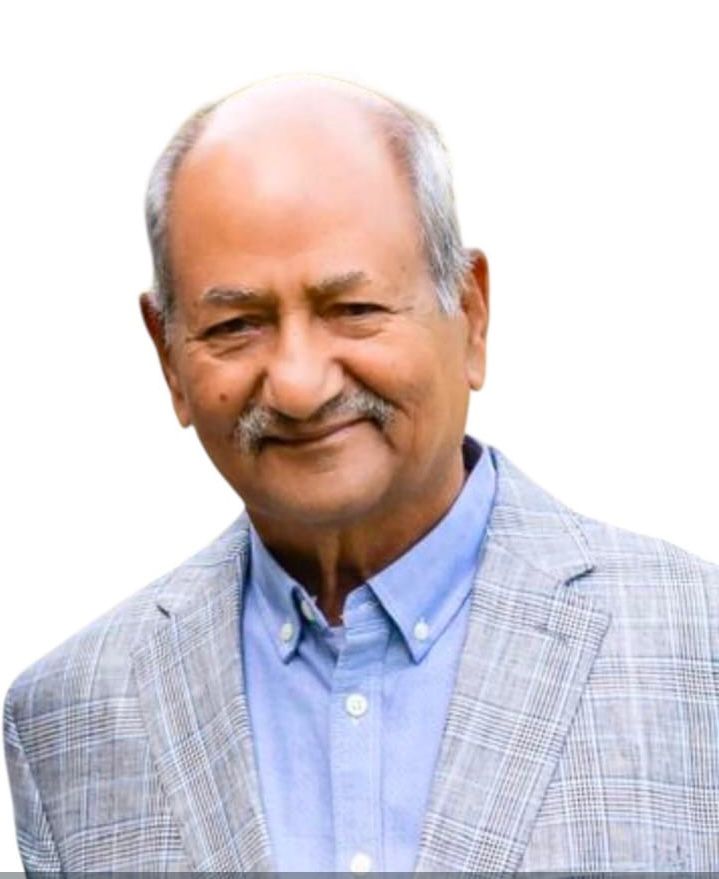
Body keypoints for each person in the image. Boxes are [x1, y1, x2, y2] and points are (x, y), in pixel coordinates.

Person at [4, 75, 718, 875]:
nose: (299, 384)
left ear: (470, 313)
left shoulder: (695, 647)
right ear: (168, 355)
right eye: (236, 325)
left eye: (354, 310)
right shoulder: (71, 718)